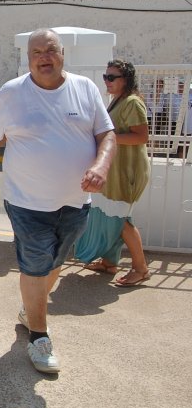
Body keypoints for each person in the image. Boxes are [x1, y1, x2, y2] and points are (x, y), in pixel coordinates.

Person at [0, 28, 116, 374]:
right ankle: (39, 337)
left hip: (75, 201)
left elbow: (106, 133)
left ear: (61, 54)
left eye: (50, 50)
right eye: (36, 52)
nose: (44, 57)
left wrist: (100, 165)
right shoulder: (12, 93)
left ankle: (30, 307)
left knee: (55, 262)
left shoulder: (84, 89)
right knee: (36, 264)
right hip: (27, 203)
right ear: (28, 59)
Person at [75, 59, 151, 287]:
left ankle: (141, 269)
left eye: (111, 77)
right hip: (116, 171)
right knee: (112, 216)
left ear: (125, 79)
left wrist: (108, 138)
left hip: (128, 171)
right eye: (105, 77)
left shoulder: (132, 103)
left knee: (121, 220)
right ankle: (109, 262)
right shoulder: (118, 101)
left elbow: (141, 136)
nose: (106, 81)